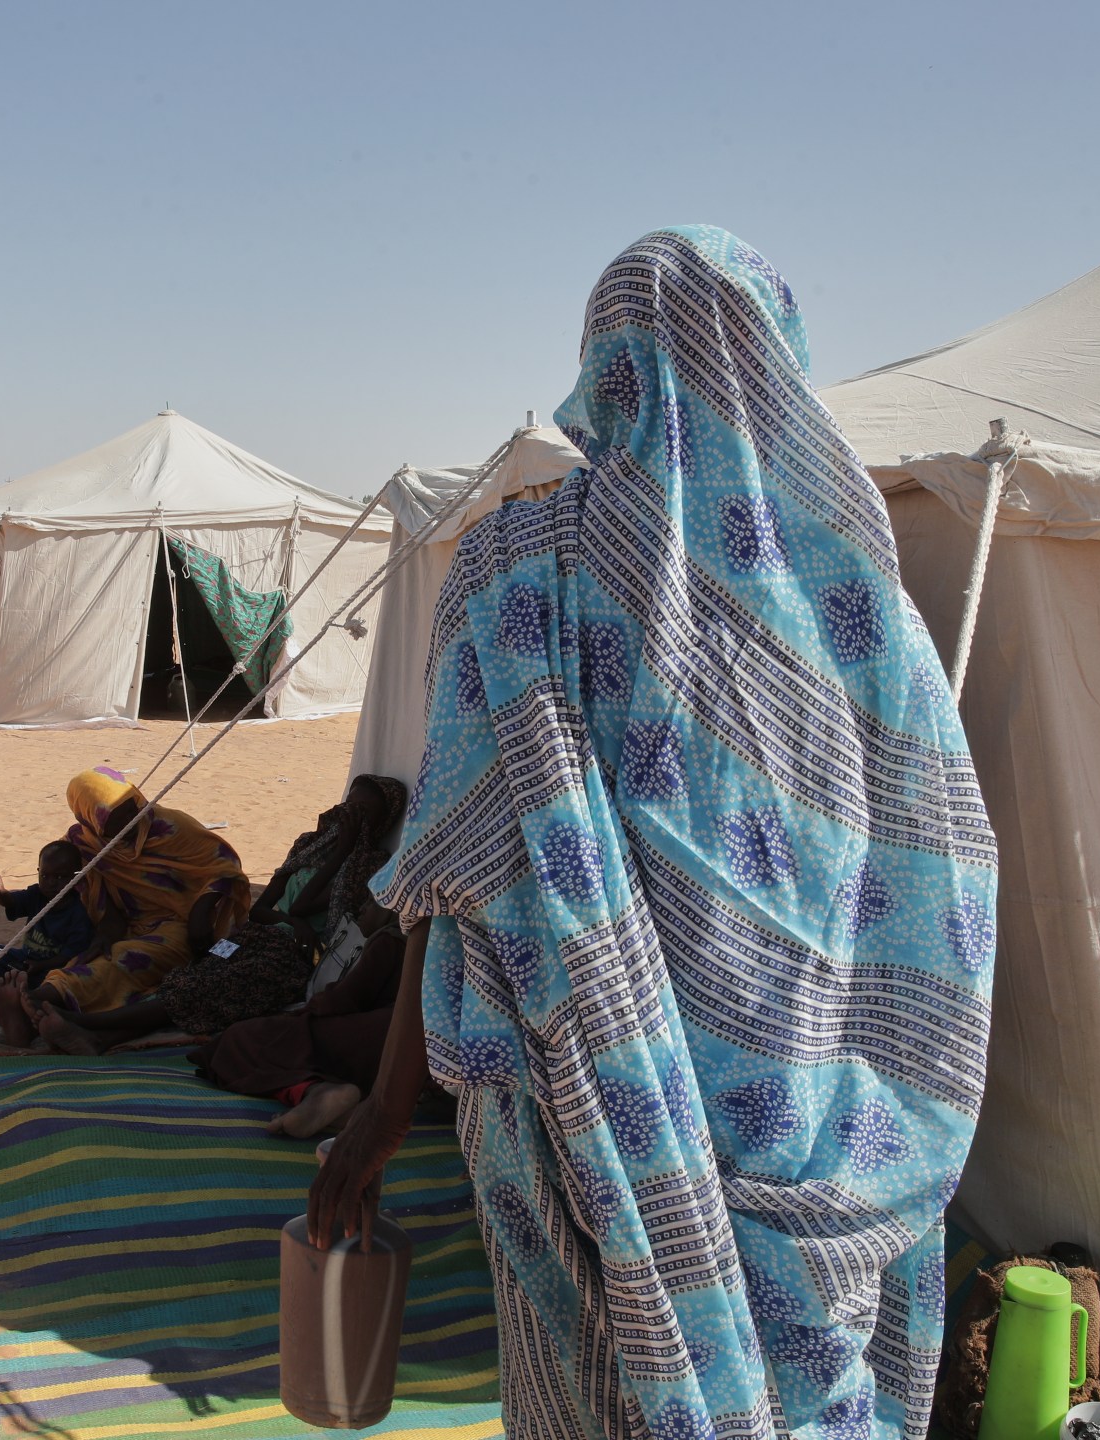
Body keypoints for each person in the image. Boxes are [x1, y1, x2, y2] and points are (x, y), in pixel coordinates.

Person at [308, 229, 999, 1440]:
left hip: (580, 1130)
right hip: (818, 1140)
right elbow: (941, 908)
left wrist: (384, 1105)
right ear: (780, 357)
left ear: (605, 362)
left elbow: (452, 874)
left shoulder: (515, 575)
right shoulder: (864, 605)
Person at [32, 773, 406, 1054]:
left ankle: (86, 1023)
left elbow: (305, 905)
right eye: (349, 805)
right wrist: (291, 920)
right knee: (194, 977)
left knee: (208, 990)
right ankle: (98, 1034)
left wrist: (342, 853)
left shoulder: (371, 866)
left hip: (298, 957)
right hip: (257, 937)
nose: (350, 816)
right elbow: (261, 909)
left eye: (363, 812)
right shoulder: (309, 845)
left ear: (382, 822)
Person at [0, 766, 249, 1046]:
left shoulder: (170, 827)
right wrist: (107, 924)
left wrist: (202, 909)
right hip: (121, 925)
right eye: (117, 818)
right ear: (91, 820)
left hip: (178, 922)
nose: (132, 819)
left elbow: (224, 863)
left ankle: (40, 1003)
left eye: (132, 807)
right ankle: (38, 1005)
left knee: (125, 959)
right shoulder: (82, 844)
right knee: (89, 959)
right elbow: (62, 884)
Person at [192, 898, 407, 1136]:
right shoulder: (417, 939)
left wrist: (309, 1009)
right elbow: (262, 909)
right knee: (272, 1038)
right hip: (396, 1046)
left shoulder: (392, 939)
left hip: (375, 1035)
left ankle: (317, 1091)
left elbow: (344, 1000)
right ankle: (334, 1104)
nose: (361, 907)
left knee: (244, 1038)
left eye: (373, 902)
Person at [0, 839, 94, 994]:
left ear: (77, 877)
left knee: (61, 982)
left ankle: (26, 996)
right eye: (44, 875)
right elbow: (11, 902)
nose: (50, 883)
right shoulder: (36, 894)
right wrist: (0, 890)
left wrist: (40, 966)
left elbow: (69, 956)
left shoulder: (79, 912)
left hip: (52, 967)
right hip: (27, 960)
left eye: (59, 877)